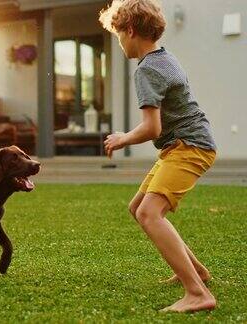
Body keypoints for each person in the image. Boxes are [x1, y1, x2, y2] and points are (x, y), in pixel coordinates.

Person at [99, 0, 217, 312]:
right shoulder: (166, 58)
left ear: (132, 30)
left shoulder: (147, 71)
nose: (120, 41)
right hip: (182, 145)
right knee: (137, 207)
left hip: (188, 146)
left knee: (149, 214)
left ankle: (198, 293)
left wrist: (122, 138)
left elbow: (152, 127)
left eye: (119, 34)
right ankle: (198, 272)